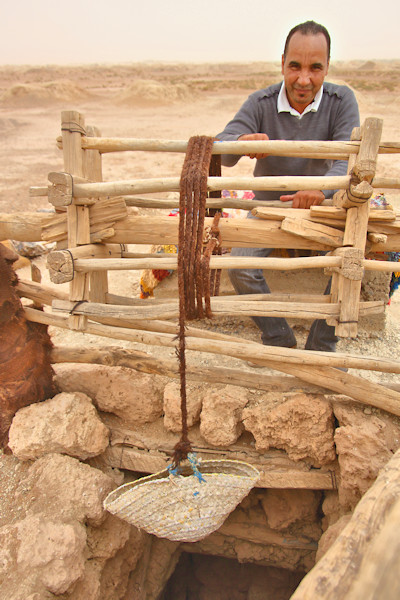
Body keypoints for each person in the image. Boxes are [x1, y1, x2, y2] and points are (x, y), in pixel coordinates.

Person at [216, 20, 360, 352]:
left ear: (327, 68)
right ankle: (278, 336)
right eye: (294, 66)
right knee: (241, 268)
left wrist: (321, 191)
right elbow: (219, 148)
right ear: (282, 63)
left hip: (322, 209)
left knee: (352, 263)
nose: (303, 78)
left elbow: (347, 159)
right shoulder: (260, 102)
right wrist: (241, 142)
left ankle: (321, 345)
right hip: (268, 209)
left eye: (315, 68)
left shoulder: (341, 100)